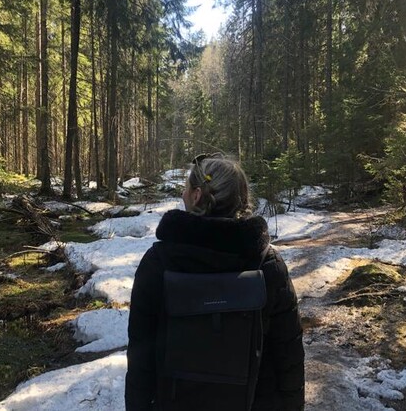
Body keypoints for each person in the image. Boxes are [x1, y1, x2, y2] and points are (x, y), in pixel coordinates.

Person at [125, 154, 305, 411]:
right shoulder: (268, 264)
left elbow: (140, 356)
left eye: (186, 188)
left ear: (197, 195)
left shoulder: (157, 262)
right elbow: (288, 355)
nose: (183, 194)